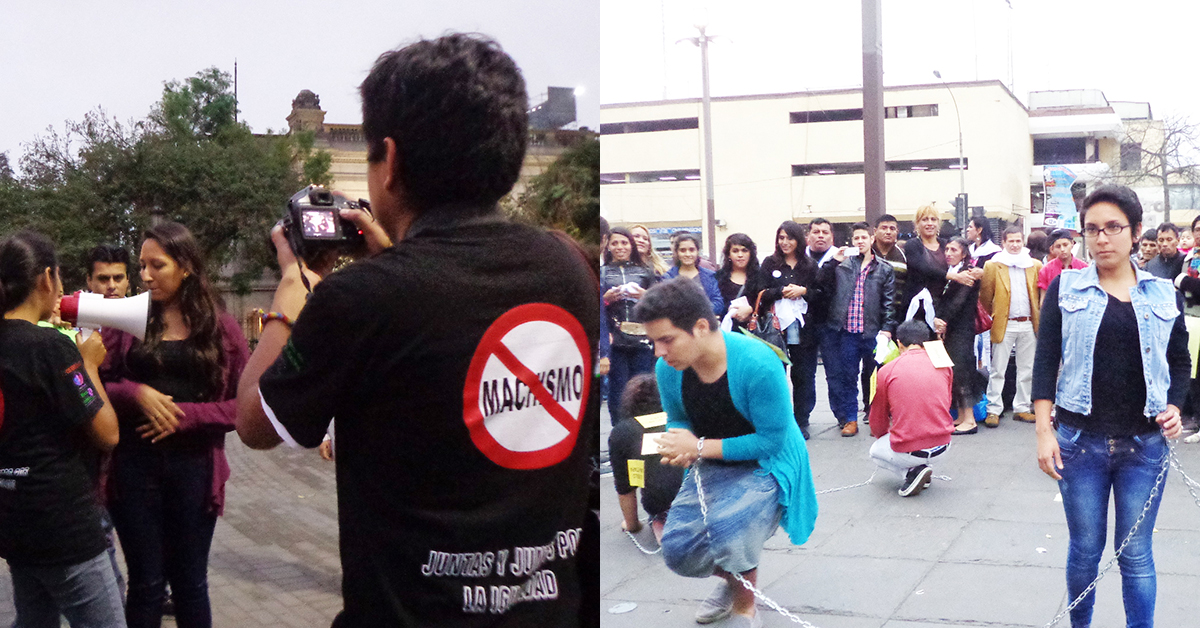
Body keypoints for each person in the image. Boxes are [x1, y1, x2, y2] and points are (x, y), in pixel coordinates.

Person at [234, 34, 599, 627]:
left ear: (392, 162)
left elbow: (253, 423)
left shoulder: (360, 300)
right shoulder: (569, 269)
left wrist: (288, 297)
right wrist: (394, 259)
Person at [1034, 184, 1188, 628]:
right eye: (1092, 230)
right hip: (1080, 443)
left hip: (1145, 446)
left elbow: (1179, 359)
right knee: (1085, 548)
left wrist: (1175, 405)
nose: (1102, 239)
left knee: (1136, 552)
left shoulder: (1163, 294)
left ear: (1135, 232)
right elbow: (1046, 362)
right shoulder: (1066, 286)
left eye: (1113, 228)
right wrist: (1044, 432)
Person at [635, 278, 817, 628]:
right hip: (712, 458)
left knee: (730, 529)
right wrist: (682, 440)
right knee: (677, 551)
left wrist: (698, 447)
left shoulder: (758, 363)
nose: (658, 351)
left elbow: (771, 442)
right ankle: (732, 580)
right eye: (653, 341)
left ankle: (744, 606)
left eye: (666, 339)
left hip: (767, 463)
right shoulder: (668, 368)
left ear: (701, 327)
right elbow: (677, 417)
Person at [98, 222, 249, 628]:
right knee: (146, 584)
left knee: (191, 585)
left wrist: (186, 416)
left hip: (195, 471)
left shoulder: (221, 328)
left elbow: (245, 406)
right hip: (133, 469)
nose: (144, 275)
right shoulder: (127, 319)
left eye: (156, 265)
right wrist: (135, 393)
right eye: (142, 265)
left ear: (185, 266)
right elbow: (99, 384)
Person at [0, 231, 125, 628]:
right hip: (64, 527)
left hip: (14, 521)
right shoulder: (52, 349)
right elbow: (107, 433)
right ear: (46, 279)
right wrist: (87, 364)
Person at [823, 222, 896, 436]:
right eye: (856, 238)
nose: (860, 241)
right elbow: (822, 283)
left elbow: (889, 303)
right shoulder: (842, 266)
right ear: (851, 241)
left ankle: (876, 419)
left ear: (872, 239)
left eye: (864, 237)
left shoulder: (884, 268)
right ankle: (850, 419)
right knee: (848, 376)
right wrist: (835, 260)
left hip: (873, 332)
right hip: (847, 332)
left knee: (876, 378)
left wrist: (887, 328)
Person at [867, 320, 953, 496]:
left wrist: (884, 436)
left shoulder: (887, 371)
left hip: (909, 450)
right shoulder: (944, 364)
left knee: (875, 451)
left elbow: (877, 421)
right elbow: (946, 402)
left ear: (899, 343)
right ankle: (920, 471)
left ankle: (911, 473)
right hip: (944, 444)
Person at [759, 221, 818, 439]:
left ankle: (801, 421)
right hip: (775, 330)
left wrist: (803, 291)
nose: (785, 242)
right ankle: (778, 420)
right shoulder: (769, 263)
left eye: (789, 238)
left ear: (798, 240)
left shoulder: (809, 265)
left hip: (803, 329)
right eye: (781, 238)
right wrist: (780, 292)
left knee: (803, 376)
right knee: (776, 374)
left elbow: (821, 294)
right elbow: (759, 292)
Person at [608, 373, 684, 542]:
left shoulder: (623, 432)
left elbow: (625, 488)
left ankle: (662, 520)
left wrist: (632, 525)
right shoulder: (681, 420)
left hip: (663, 505)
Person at [979, 227, 1043, 428]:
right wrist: (995, 316)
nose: (1015, 245)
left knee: (1027, 368)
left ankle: (1022, 407)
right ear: (1004, 243)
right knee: (998, 368)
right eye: (1011, 241)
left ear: (1023, 241)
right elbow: (986, 297)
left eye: (1018, 241)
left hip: (1028, 323)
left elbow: (1037, 295)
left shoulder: (1034, 265)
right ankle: (993, 409)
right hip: (1004, 323)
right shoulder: (993, 265)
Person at [602, 227, 657, 423]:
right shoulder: (602, 273)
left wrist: (644, 295)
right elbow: (598, 309)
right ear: (607, 246)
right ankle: (619, 434)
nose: (620, 247)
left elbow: (659, 302)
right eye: (615, 243)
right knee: (618, 391)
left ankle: (642, 436)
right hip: (616, 340)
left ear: (631, 245)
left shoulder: (645, 271)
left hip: (642, 340)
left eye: (624, 243)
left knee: (643, 389)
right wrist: (605, 299)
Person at [932, 237, 983, 434]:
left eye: (954, 250)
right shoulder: (953, 272)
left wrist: (942, 321)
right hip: (955, 330)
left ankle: (970, 419)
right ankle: (961, 415)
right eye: (947, 249)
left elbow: (957, 303)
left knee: (962, 372)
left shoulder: (967, 273)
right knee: (955, 372)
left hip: (962, 329)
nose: (948, 253)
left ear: (964, 253)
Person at [902, 205, 978, 330]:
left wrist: (976, 272)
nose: (930, 223)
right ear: (917, 223)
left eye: (933, 219)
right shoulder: (912, 245)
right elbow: (922, 268)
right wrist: (954, 276)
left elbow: (961, 261)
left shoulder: (945, 244)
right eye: (925, 219)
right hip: (918, 307)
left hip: (941, 307)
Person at [665, 233, 724, 318]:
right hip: (678, 327)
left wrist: (696, 309)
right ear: (677, 253)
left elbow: (718, 304)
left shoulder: (710, 276)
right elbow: (667, 305)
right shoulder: (668, 278)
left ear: (697, 252)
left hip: (705, 326)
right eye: (683, 250)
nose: (688, 254)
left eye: (692, 250)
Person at [714, 233, 764, 333]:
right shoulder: (718, 277)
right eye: (735, 251)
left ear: (751, 253)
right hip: (727, 332)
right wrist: (729, 310)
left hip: (753, 333)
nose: (740, 255)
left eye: (744, 250)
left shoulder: (761, 276)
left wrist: (751, 310)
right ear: (728, 254)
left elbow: (767, 303)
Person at [1038, 229, 1087, 295]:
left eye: (1065, 245)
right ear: (1052, 249)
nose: (1062, 249)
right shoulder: (1046, 270)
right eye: (1058, 246)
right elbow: (1043, 299)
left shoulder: (1084, 268)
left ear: (1072, 244)